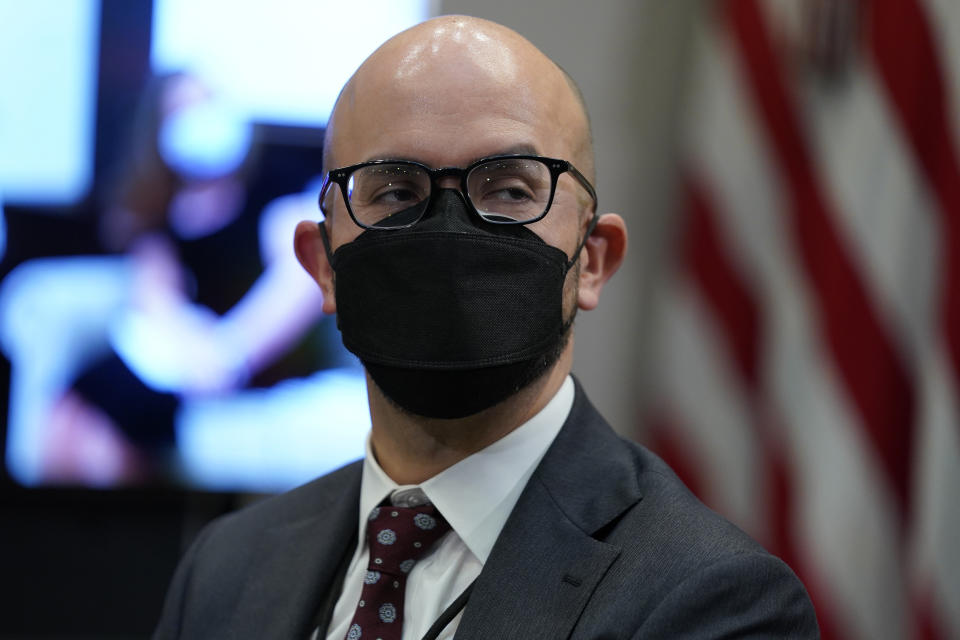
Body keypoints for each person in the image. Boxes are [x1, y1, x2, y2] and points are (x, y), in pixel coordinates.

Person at [153, 15, 819, 640]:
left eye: (510, 190)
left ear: (592, 261)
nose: (449, 230)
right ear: (324, 264)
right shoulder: (224, 570)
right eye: (395, 190)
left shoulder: (714, 600)